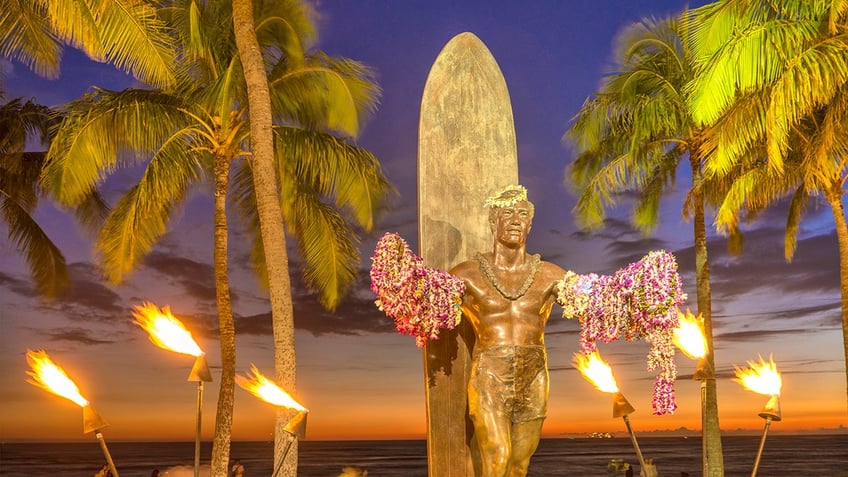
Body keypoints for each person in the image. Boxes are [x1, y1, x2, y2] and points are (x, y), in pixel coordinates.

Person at [449, 185, 566, 477]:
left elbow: (595, 300)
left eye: (523, 214)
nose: (516, 219)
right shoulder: (466, 274)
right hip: (491, 371)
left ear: (530, 224)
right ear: (493, 222)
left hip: (535, 372)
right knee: (499, 459)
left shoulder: (551, 275)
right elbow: (427, 303)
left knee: (519, 465)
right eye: (508, 213)